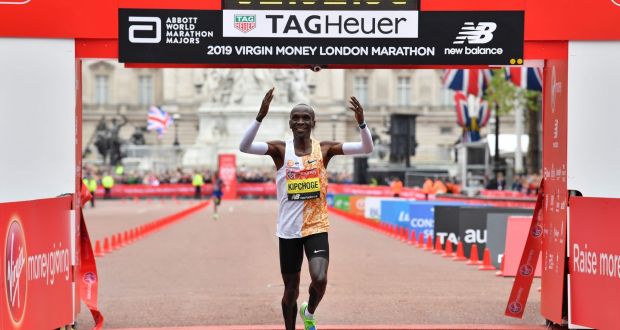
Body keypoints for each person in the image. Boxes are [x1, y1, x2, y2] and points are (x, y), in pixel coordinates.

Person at [239, 88, 373, 330]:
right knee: (290, 290)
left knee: (320, 280)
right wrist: (260, 116)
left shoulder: (325, 149)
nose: (300, 121)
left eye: (305, 117)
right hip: (288, 230)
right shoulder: (280, 149)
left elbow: (366, 149)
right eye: (296, 117)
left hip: (316, 225)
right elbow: (245, 146)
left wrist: (362, 123)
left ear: (313, 122)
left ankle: (309, 311)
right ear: (290, 123)